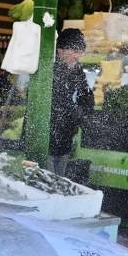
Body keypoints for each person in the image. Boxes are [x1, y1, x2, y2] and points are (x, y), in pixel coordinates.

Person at [48, 28, 94, 177]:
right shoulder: (49, 67)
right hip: (45, 139)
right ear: (60, 50)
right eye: (74, 51)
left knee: (60, 182)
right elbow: (59, 99)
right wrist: (78, 114)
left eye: (80, 52)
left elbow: (85, 94)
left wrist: (88, 112)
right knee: (47, 182)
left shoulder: (76, 68)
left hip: (64, 139)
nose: (77, 56)